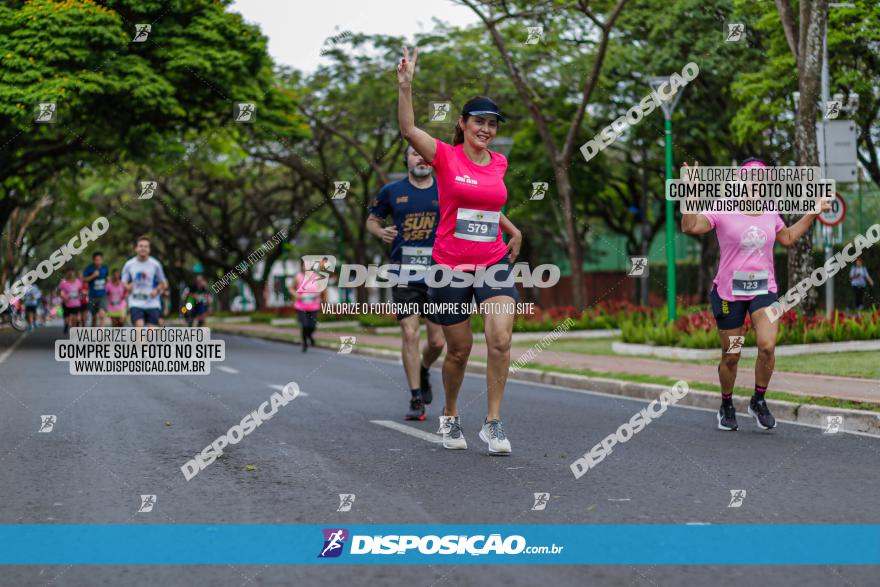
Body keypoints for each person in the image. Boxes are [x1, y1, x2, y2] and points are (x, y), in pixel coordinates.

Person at [398, 47, 522, 454]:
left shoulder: (499, 163)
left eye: (492, 124)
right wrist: (406, 86)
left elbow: (488, 204)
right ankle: (449, 416)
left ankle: (494, 423)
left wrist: (510, 228)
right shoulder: (444, 156)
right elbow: (409, 129)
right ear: (463, 124)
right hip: (449, 265)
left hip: (492, 262)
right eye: (479, 122)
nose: (486, 129)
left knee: (500, 339)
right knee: (459, 349)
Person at [681, 158, 831, 431]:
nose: (756, 185)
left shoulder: (770, 211)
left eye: (761, 181)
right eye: (751, 179)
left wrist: (813, 212)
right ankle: (726, 404)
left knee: (767, 346)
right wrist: (691, 190)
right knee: (732, 354)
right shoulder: (723, 208)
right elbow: (690, 226)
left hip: (764, 291)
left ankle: (758, 400)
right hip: (729, 295)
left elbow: (786, 237)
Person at [367, 145, 446, 421]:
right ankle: (415, 397)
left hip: (439, 273)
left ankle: (424, 369)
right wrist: (380, 231)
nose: (420, 158)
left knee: (437, 342)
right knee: (410, 332)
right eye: (414, 153)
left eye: (424, 153)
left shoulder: (445, 189)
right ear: (407, 159)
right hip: (404, 272)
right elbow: (372, 220)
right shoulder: (391, 191)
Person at [121, 236, 168, 328]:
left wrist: (157, 290)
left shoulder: (155, 264)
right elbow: (123, 282)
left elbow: (163, 282)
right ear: (136, 248)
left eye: (146, 246)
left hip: (152, 302)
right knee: (139, 326)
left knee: (152, 332)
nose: (143, 248)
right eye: (141, 246)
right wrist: (128, 287)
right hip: (135, 301)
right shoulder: (129, 264)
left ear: (149, 249)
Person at [290, 259, 327, 352]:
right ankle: (305, 343)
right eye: (304, 266)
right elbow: (291, 288)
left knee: (313, 326)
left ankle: (310, 336)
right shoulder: (298, 277)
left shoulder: (316, 276)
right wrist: (297, 295)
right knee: (305, 325)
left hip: (313, 306)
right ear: (302, 267)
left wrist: (317, 294)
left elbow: (321, 289)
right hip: (301, 306)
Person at [82, 252, 109, 327]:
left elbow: (107, 278)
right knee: (94, 317)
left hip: (102, 295)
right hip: (92, 296)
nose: (98, 262)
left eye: (100, 260)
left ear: (102, 260)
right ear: (93, 260)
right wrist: (93, 276)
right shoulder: (89, 269)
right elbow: (84, 280)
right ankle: (94, 332)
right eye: (96, 260)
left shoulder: (105, 268)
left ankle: (101, 334)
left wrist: (107, 281)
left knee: (102, 314)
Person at [57, 268, 83, 334]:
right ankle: (66, 325)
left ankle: (73, 331)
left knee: (75, 318)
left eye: (72, 272)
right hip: (66, 303)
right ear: (67, 273)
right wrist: (63, 297)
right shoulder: (63, 282)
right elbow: (59, 291)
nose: (71, 274)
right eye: (70, 272)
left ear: (74, 273)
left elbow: (81, 291)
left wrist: (81, 295)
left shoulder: (78, 281)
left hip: (76, 303)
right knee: (67, 319)